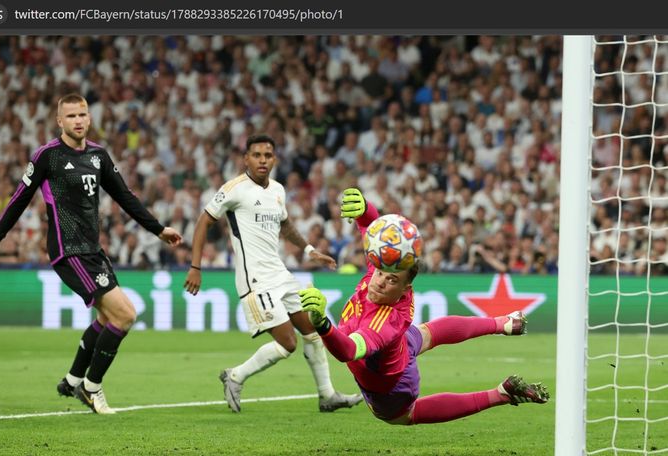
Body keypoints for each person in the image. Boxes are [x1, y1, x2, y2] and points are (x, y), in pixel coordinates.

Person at [0, 93, 183, 414]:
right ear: (60, 121)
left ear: (89, 118)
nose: (78, 120)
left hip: (93, 250)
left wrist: (158, 229)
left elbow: (125, 196)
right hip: (67, 249)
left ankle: (73, 380)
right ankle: (92, 388)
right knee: (126, 315)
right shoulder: (47, 156)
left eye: (83, 115)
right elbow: (20, 196)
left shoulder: (99, 156)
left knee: (108, 318)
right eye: (71, 116)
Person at [299, 188, 549, 425]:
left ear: (404, 289)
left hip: (391, 384)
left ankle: (500, 394)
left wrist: (323, 325)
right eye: (381, 273)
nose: (382, 281)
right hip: (400, 347)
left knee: (405, 416)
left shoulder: (384, 323)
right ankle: (502, 323)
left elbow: (349, 351)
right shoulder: (386, 271)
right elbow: (372, 230)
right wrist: (365, 208)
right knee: (428, 334)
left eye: (392, 280)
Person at [184, 134, 362, 413]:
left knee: (312, 332)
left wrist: (309, 250)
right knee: (287, 343)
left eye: (267, 155)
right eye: (256, 155)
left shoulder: (278, 190)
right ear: (246, 159)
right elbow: (203, 222)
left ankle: (327, 395)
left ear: (274, 159)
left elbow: (287, 226)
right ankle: (235, 376)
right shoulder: (234, 189)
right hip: (256, 281)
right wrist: (196, 266)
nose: (262, 160)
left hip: (281, 274)